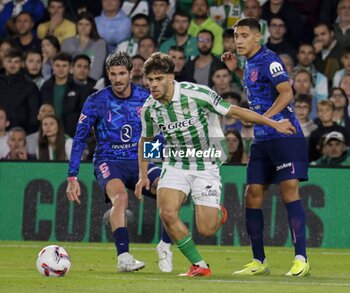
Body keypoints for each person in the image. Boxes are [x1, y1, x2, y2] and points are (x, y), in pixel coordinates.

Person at [135, 52, 295, 277]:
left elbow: (236, 111)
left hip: (206, 163)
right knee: (167, 212)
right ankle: (199, 265)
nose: (153, 84)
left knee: (207, 229)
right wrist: (144, 174)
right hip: (175, 163)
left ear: (171, 77)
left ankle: (218, 213)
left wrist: (272, 123)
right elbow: (147, 140)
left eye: (158, 78)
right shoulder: (150, 108)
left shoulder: (196, 94)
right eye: (150, 79)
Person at [66, 51, 173, 273]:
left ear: (131, 72)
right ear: (108, 74)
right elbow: (79, 138)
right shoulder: (96, 101)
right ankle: (123, 257)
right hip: (109, 160)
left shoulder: (145, 98)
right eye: (113, 74)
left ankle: (165, 246)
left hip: (139, 160)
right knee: (120, 197)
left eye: (122, 73)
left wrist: (152, 162)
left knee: (168, 191)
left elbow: (158, 134)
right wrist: (72, 175)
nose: (117, 79)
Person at [222, 17, 310, 277]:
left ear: (257, 37)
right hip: (262, 138)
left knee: (289, 191)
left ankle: (301, 258)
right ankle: (259, 260)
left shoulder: (270, 60)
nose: (238, 40)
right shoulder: (249, 62)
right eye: (236, 36)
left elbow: (286, 93)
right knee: (252, 194)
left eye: (244, 36)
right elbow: (255, 86)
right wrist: (235, 70)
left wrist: (270, 121)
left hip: (285, 134)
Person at [61, 11, 107, 81]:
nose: (83, 27)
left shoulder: (100, 43)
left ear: (92, 26)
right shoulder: (67, 43)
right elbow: (63, 66)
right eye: (80, 24)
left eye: (87, 24)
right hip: (70, 82)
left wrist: (87, 83)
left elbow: (97, 69)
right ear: (76, 25)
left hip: (91, 82)